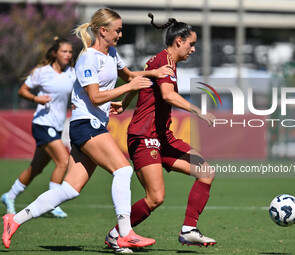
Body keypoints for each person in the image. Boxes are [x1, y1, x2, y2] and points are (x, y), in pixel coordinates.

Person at [2, 8, 174, 252]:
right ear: (102, 31)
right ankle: (125, 233)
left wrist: (152, 73)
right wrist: (129, 88)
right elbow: (94, 97)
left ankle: (14, 220)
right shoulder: (87, 58)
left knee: (69, 190)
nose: (120, 34)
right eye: (117, 30)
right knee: (123, 169)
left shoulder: (112, 53)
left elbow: (128, 76)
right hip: (85, 125)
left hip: (93, 125)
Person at [106, 13, 216, 250]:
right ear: (179, 41)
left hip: (162, 137)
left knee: (205, 172)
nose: (193, 49)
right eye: (192, 44)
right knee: (155, 197)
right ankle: (116, 235)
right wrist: (197, 110)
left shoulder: (163, 62)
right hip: (144, 136)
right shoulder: (163, 61)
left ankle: (188, 230)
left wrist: (125, 103)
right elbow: (167, 95)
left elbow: (141, 79)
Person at [1, 37, 75, 218]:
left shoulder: (72, 72)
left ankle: (9, 196)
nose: (67, 55)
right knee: (63, 161)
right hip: (42, 124)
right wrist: (37, 99)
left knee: (36, 168)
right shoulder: (42, 72)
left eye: (70, 52)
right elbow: (22, 91)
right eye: (64, 51)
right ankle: (53, 203)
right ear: (55, 53)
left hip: (56, 126)